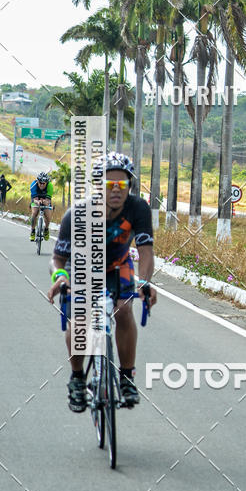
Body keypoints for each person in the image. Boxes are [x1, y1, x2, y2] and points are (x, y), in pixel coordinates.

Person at [47, 152, 158, 413]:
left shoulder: (138, 208)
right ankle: (76, 378)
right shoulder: (77, 214)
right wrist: (60, 277)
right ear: (98, 186)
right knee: (81, 319)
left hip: (119, 266)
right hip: (85, 269)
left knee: (124, 308)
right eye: (110, 185)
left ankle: (127, 377)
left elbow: (146, 252)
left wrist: (143, 282)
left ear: (129, 186)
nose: (117, 191)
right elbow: (58, 259)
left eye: (123, 185)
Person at [30, 172, 54, 240]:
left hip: (45, 198)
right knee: (34, 213)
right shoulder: (33, 184)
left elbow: (48, 200)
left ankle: (46, 229)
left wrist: (45, 202)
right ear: (37, 181)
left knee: (48, 216)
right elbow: (35, 199)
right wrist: (38, 202)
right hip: (36, 198)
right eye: (40, 182)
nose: (41, 185)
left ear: (47, 182)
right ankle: (33, 231)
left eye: (44, 183)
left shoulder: (50, 185)